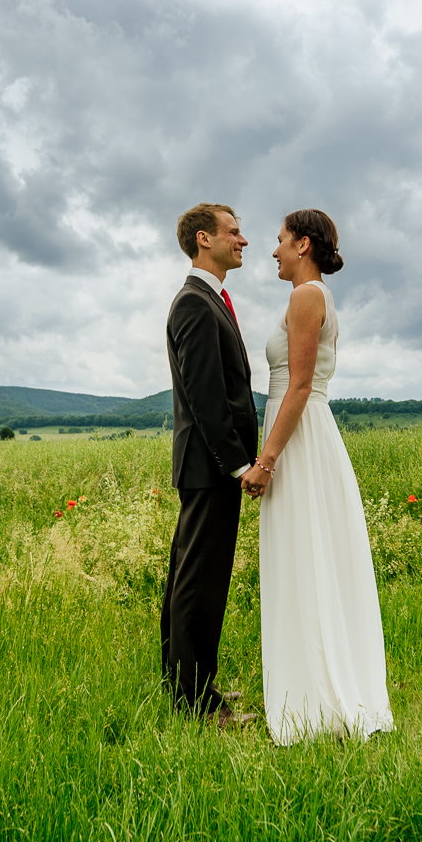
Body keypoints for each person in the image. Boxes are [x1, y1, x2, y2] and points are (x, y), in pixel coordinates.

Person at [240, 209, 395, 745]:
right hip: (307, 434)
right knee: (309, 555)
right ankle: (312, 687)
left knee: (304, 555)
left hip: (299, 438)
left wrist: (267, 460)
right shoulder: (318, 297)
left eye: (280, 240)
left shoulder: (306, 297)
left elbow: (300, 386)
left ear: (303, 244)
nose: (274, 251)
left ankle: (313, 699)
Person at [162, 203, 260, 728]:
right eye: (234, 232)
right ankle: (198, 705)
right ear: (205, 238)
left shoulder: (209, 299)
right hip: (211, 468)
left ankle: (187, 685)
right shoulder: (196, 303)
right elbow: (205, 397)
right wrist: (238, 465)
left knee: (190, 576)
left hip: (208, 467)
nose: (243, 240)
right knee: (199, 582)